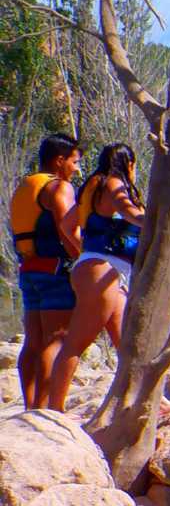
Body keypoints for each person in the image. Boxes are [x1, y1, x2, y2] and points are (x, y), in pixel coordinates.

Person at [46, 143, 143, 413]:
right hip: (102, 273)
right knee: (76, 342)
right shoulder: (113, 182)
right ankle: (55, 411)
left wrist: (85, 253)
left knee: (128, 345)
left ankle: (153, 401)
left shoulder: (93, 188)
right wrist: (158, 219)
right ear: (128, 164)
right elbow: (129, 213)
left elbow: (67, 225)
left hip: (100, 270)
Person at [11, 133, 82, 409]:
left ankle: (30, 406)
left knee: (33, 342)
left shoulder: (25, 186)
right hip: (55, 270)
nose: (75, 169)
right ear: (59, 160)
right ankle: (44, 409)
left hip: (29, 269)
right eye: (74, 162)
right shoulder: (58, 188)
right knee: (57, 339)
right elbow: (67, 228)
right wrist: (85, 257)